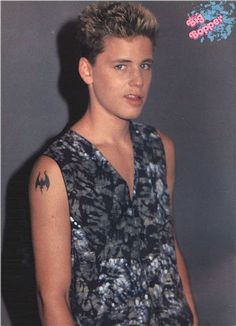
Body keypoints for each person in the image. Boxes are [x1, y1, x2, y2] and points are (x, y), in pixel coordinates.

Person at [29, 2, 199, 325]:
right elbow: (51, 297)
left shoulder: (160, 148)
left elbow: (167, 245)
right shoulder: (55, 171)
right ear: (87, 70)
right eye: (121, 66)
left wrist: (193, 317)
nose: (137, 80)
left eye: (145, 66)